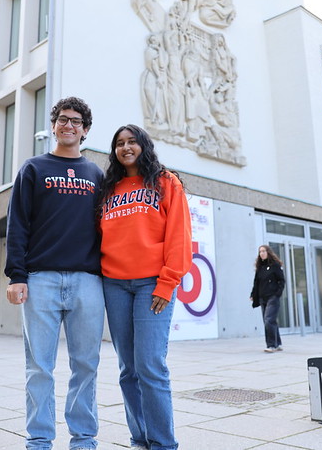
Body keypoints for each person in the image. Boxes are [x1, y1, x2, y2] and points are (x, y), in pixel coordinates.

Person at [4, 97, 105, 450]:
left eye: (76, 121)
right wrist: (16, 275)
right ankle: (39, 440)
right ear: (54, 126)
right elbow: (18, 224)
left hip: (88, 281)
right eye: (62, 119)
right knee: (39, 368)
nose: (68, 125)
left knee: (86, 366)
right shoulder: (33, 168)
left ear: (85, 131)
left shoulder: (96, 175)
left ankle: (83, 440)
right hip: (41, 280)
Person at [98, 124, 192, 450]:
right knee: (128, 369)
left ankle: (164, 444)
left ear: (143, 145)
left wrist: (167, 283)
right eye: (119, 143)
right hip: (114, 285)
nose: (125, 147)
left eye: (131, 141)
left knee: (150, 365)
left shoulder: (166, 182)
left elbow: (179, 236)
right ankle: (140, 439)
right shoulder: (109, 189)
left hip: (153, 284)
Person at [250, 245, 285, 353]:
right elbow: (256, 283)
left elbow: (281, 280)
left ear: (268, 252)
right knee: (270, 321)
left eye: (264, 251)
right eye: (260, 251)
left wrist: (277, 294)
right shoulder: (260, 268)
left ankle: (271, 345)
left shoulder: (275, 265)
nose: (262, 253)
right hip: (262, 298)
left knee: (268, 320)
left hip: (272, 297)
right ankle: (278, 343)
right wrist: (253, 294)